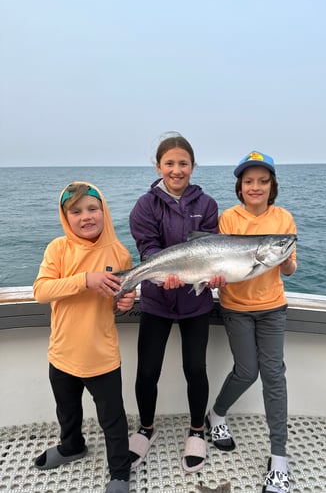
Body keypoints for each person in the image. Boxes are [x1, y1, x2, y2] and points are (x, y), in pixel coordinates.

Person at [128, 133, 223, 473]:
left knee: (195, 369)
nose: (177, 169)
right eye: (170, 163)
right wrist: (161, 272)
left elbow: (213, 248)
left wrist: (216, 274)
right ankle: (146, 429)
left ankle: (197, 430)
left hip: (196, 302)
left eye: (183, 163)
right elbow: (147, 248)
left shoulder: (207, 205)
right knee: (147, 370)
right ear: (159, 166)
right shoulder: (145, 205)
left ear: (193, 167)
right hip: (157, 300)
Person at [33, 182, 136, 493]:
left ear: (103, 210)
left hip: (101, 354)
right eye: (75, 211)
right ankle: (71, 446)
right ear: (66, 217)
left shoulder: (119, 253)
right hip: (62, 352)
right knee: (67, 409)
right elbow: (41, 291)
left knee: (112, 419)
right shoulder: (58, 249)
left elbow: (120, 302)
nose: (86, 217)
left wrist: (125, 304)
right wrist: (84, 280)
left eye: (93, 208)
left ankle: (119, 472)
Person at [206, 151, 297, 493]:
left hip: (273, 307)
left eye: (262, 181)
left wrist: (285, 259)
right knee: (247, 371)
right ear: (240, 186)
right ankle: (216, 414)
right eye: (248, 181)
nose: (255, 187)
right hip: (236, 307)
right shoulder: (229, 218)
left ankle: (279, 459)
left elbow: (290, 267)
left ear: (272, 185)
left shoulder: (284, 219)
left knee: (274, 375)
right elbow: (224, 263)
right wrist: (215, 278)